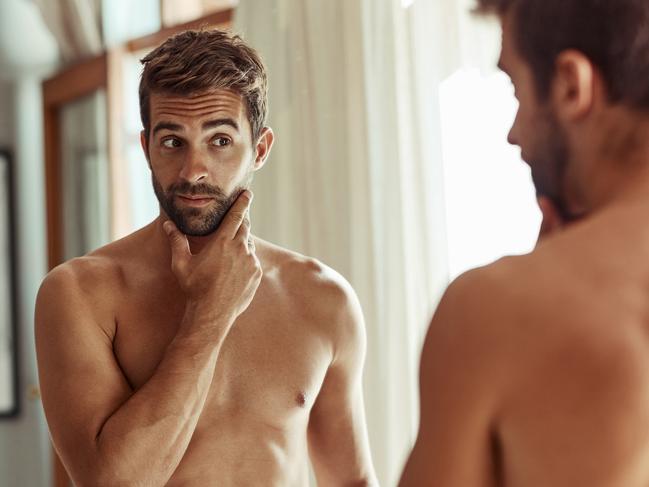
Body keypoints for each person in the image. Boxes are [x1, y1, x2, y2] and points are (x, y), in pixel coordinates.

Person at [35, 29, 376, 486]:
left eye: (219, 141)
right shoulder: (80, 294)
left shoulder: (323, 298)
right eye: (173, 142)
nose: (193, 170)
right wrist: (210, 312)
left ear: (259, 150)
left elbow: (352, 480)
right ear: (147, 149)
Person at [400, 0, 649, 486]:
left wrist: (544, 282)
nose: (514, 134)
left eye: (515, 88)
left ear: (571, 85)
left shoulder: (494, 311)